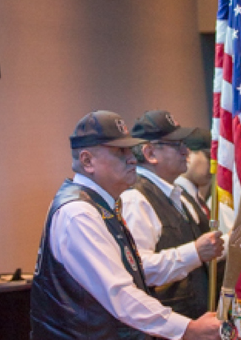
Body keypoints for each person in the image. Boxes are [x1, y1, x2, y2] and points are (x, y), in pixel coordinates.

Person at [30, 110, 221, 340]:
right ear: (87, 161)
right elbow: (119, 295)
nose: (132, 158)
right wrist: (187, 329)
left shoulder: (102, 205)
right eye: (120, 151)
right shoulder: (79, 213)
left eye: (130, 149)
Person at [120, 110, 224, 319]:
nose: (186, 151)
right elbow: (140, 269)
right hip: (169, 325)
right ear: (150, 153)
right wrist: (194, 252)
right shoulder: (136, 199)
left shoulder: (176, 193)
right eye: (177, 145)